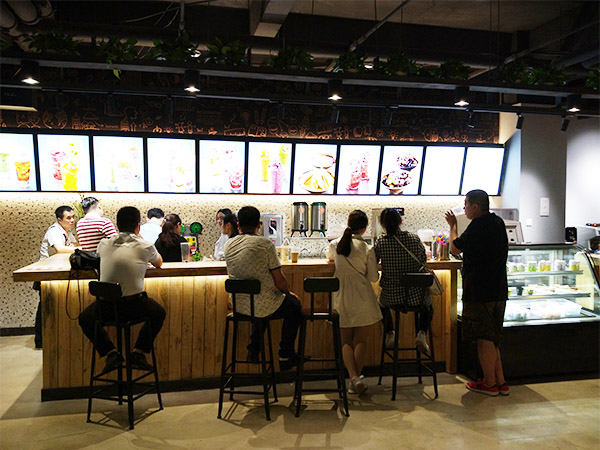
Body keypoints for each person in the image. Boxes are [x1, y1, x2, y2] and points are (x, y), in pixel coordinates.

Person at [78, 206, 166, 374]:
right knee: (158, 313)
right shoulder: (145, 246)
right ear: (138, 225)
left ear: (117, 225)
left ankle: (111, 353)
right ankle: (138, 353)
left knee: (85, 318)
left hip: (106, 308)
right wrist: (139, 238)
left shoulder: (104, 244)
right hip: (134, 308)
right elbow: (159, 263)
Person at [445, 189, 509, 396]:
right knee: (493, 338)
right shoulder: (497, 222)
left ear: (475, 206)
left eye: (466, 204)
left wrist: (453, 226)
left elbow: (455, 248)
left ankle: (489, 383)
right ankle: (500, 381)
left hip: (480, 291)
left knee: (483, 338)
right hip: (499, 290)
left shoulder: (478, 225)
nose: (464, 208)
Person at [224, 206, 302, 371]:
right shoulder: (265, 244)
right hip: (262, 305)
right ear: (259, 225)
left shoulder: (228, 244)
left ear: (238, 225)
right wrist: (289, 293)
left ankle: (254, 349)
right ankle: (286, 354)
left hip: (239, 305)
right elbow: (279, 280)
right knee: (293, 305)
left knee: (261, 304)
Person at [327, 210, 381, 395]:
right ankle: (355, 379)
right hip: (362, 295)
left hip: (341, 294)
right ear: (364, 228)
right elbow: (373, 277)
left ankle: (353, 378)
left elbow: (330, 258)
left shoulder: (336, 244)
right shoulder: (367, 248)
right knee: (361, 340)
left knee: (345, 340)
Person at [374, 208, 433, 355]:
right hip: (417, 297)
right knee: (428, 305)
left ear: (382, 224)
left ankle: (391, 333)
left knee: (379, 304)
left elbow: (374, 261)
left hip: (391, 297)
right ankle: (421, 334)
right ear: (400, 221)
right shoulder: (414, 238)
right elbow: (423, 260)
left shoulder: (381, 241)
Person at [34, 206, 79, 348]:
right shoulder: (54, 231)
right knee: (46, 306)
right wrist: (78, 248)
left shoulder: (67, 231)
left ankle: (49, 338)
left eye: (73, 217)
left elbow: (74, 244)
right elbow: (60, 249)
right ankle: (40, 340)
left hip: (56, 270)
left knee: (50, 305)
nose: (72, 220)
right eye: (68, 218)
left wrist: (74, 246)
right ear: (60, 220)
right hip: (46, 272)